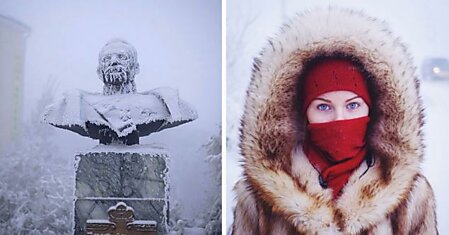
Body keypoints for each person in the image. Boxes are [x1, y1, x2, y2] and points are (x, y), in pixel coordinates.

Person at [232, 8, 438, 234]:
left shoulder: (411, 196)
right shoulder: (258, 197)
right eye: (323, 106)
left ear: (373, 110)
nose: (340, 119)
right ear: (302, 114)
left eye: (352, 105)